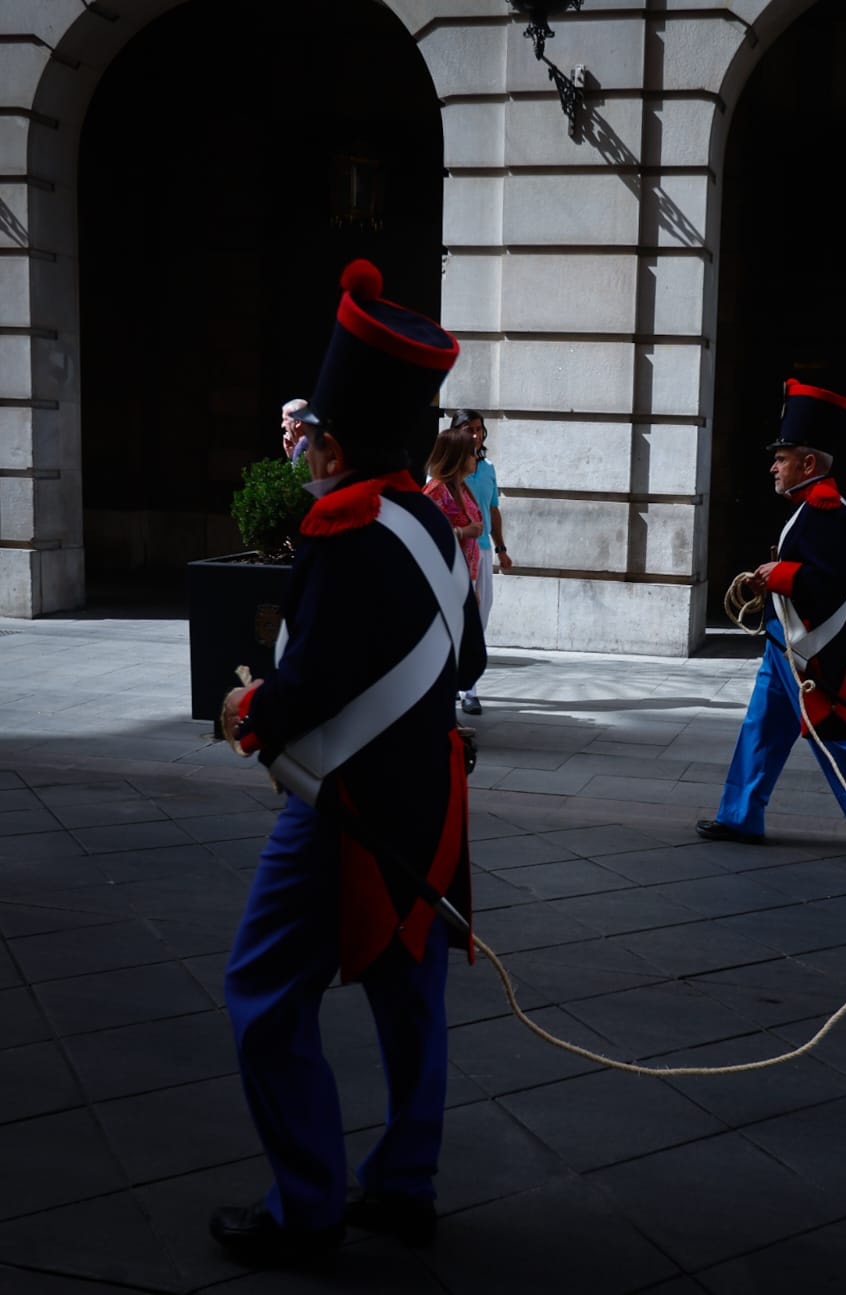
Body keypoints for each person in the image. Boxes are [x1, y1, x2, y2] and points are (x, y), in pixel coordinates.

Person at [212, 258, 486, 1266]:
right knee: (409, 995)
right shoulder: (432, 521)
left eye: (309, 441)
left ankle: (307, 1206)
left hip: (349, 805)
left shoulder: (341, 524)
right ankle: (404, 1182)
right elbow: (471, 656)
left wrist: (250, 706)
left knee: (261, 989)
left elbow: (307, 686)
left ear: (328, 440)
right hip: (431, 795)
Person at [696, 378, 846, 865]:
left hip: (812, 645)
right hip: (786, 638)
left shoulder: (826, 509)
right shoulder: (809, 507)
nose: (774, 466)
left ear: (809, 463)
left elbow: (833, 579)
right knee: (762, 727)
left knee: (828, 734)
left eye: (782, 457)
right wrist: (772, 579)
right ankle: (740, 816)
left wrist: (783, 574)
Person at [454, 408, 512, 715]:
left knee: (481, 617)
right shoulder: (443, 469)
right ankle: (467, 690)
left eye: (478, 429)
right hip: (456, 552)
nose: (475, 435)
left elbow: (493, 509)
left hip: (483, 549)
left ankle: (465, 681)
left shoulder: (487, 467)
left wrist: (501, 547)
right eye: (468, 429)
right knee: (464, 619)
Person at [423, 426, 483, 591]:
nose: (476, 458)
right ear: (458, 456)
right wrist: (463, 532)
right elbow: (426, 535)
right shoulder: (437, 490)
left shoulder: (462, 488)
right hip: (445, 580)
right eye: (471, 453)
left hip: (466, 578)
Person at [281, 398, 310, 464]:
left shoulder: (305, 444)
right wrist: (291, 455)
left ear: (298, 422)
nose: (282, 425)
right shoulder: (303, 445)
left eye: (285, 419)